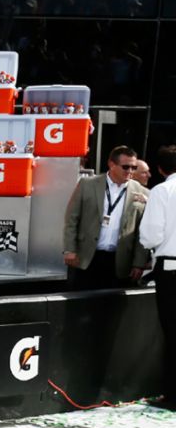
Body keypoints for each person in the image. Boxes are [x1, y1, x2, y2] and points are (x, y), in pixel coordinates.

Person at [63, 145, 151, 290]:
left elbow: (143, 232)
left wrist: (139, 263)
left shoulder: (143, 193)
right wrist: (69, 249)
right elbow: (72, 218)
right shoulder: (88, 184)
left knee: (112, 309)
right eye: (125, 167)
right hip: (86, 257)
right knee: (81, 307)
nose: (130, 171)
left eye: (134, 168)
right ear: (111, 164)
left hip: (120, 261)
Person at [140, 145, 176, 408]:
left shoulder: (162, 191)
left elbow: (152, 234)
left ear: (161, 169)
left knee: (173, 333)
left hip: (171, 269)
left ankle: (173, 396)